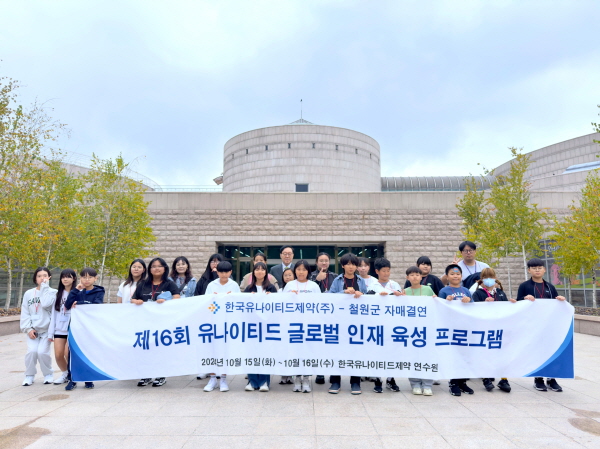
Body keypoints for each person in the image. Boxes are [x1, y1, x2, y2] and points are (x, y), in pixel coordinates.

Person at [517, 258, 567, 393]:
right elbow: (518, 304)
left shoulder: (550, 287)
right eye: (533, 268)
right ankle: (538, 379)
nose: (537, 270)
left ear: (544, 269)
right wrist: (525, 299)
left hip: (549, 326)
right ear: (529, 270)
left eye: (539, 267)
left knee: (551, 351)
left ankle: (552, 379)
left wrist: (561, 300)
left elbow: (556, 304)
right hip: (533, 326)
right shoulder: (524, 286)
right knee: (537, 352)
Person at [131, 258, 180, 388]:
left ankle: (161, 375)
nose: (156, 268)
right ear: (149, 269)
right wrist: (136, 301)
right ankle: (146, 375)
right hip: (145, 322)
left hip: (163, 323)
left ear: (164, 268)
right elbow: (133, 299)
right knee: (146, 348)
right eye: (153, 266)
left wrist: (166, 300)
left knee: (160, 348)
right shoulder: (143, 284)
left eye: (159, 266)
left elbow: (177, 297)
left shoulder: (169, 284)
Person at [328, 253, 367, 395]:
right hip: (339, 322)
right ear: (343, 265)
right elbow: (329, 297)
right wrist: (343, 292)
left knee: (355, 352)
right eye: (348, 264)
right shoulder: (337, 280)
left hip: (356, 323)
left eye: (354, 264)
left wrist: (361, 294)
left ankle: (355, 382)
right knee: (337, 351)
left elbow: (368, 298)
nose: (351, 267)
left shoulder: (361, 281)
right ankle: (335, 381)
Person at [64, 267, 106, 391]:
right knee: (73, 353)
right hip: (76, 327)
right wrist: (75, 291)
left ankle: (88, 379)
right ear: (80, 278)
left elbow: (97, 305)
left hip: (90, 328)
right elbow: (67, 305)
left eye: (90, 277)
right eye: (84, 277)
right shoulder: (77, 291)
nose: (87, 280)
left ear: (95, 278)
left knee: (88, 352)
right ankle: (72, 379)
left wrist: (81, 304)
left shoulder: (99, 291)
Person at [472, 267, 512, 393]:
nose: (489, 280)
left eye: (491, 277)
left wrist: (512, 304)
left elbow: (506, 308)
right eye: (485, 277)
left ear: (495, 278)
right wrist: (484, 303)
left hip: (499, 328)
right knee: (485, 353)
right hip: (485, 328)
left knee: (501, 353)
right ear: (481, 280)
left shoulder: (500, 292)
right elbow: (474, 310)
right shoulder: (478, 293)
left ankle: (504, 379)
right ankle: (486, 378)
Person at [283, 259, 321, 393]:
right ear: (295, 271)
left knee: (308, 353)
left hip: (309, 325)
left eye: (304, 269)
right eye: (298, 269)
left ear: (308, 271)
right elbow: (282, 304)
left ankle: (306, 379)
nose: (301, 272)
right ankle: (297, 378)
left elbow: (319, 305)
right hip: (294, 326)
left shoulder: (314, 286)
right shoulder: (289, 285)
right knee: (296, 352)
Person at [367, 258, 403, 393]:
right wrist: (378, 296)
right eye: (383, 271)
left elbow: (401, 301)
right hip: (377, 325)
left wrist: (397, 295)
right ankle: (377, 379)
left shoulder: (395, 284)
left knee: (391, 352)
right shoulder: (372, 286)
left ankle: (390, 379)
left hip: (392, 324)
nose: (386, 273)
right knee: (377, 352)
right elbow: (368, 302)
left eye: (388, 271)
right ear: (377, 271)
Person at [438, 264, 474, 397]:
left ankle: (462, 381)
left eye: (458, 274)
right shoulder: (444, 291)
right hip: (451, 328)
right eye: (452, 274)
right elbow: (439, 309)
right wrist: (446, 302)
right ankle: (453, 382)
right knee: (454, 355)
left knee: (465, 355)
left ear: (461, 276)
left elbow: (474, 307)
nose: (455, 276)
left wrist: (469, 300)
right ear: (447, 276)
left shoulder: (466, 290)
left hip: (465, 327)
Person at [204, 261, 240, 392]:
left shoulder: (234, 285)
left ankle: (223, 379)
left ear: (230, 272)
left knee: (224, 351)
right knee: (212, 350)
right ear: (217, 272)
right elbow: (205, 302)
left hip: (227, 322)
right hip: (213, 322)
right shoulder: (211, 285)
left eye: (226, 271)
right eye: (221, 271)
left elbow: (238, 303)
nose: (224, 274)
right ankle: (212, 378)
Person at [20, 267, 57, 387]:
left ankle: (48, 374)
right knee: (32, 352)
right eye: (39, 276)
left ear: (49, 277)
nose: (42, 278)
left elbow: (46, 304)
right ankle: (29, 375)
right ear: (35, 278)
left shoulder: (53, 292)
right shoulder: (28, 293)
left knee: (42, 352)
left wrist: (45, 288)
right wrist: (28, 329)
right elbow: (25, 312)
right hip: (33, 330)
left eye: (45, 275)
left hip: (46, 330)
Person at [243, 261, 277, 391]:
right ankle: (252, 381)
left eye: (262, 269)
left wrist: (271, 298)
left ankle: (264, 382)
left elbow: (276, 306)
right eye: (257, 269)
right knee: (251, 353)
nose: (260, 271)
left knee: (265, 353)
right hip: (252, 326)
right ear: (253, 272)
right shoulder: (248, 289)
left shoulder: (271, 288)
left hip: (266, 327)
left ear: (266, 272)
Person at [310, 252, 338, 385]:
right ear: (317, 262)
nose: (324, 263)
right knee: (318, 345)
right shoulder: (311, 276)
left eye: (326, 260)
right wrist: (317, 280)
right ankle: (320, 373)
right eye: (321, 261)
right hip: (316, 316)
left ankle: (333, 373)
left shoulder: (335, 276)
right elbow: (308, 291)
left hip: (332, 316)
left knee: (332, 345)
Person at [48, 269, 77, 385]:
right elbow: (54, 314)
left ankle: (72, 375)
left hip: (72, 329)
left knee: (68, 354)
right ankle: (65, 374)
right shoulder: (58, 294)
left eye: (68, 277)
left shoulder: (77, 293)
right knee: (58, 354)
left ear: (73, 278)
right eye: (63, 277)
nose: (65, 279)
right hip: (59, 329)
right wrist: (51, 333)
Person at [278, 266, 295, 385]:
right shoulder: (279, 291)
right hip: (283, 324)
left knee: (292, 350)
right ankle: (283, 375)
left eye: (290, 275)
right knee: (283, 350)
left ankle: (291, 375)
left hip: (294, 325)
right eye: (286, 275)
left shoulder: (298, 289)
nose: (288, 277)